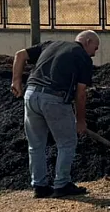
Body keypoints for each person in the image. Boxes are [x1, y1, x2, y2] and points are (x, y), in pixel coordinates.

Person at [10, 30, 100, 199]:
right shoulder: (82, 57)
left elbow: (20, 55)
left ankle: (39, 186)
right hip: (54, 98)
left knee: (36, 144)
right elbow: (80, 94)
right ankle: (62, 184)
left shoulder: (51, 44)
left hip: (30, 96)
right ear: (87, 41)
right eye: (95, 48)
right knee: (67, 142)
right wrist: (80, 121)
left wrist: (16, 81)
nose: (94, 54)